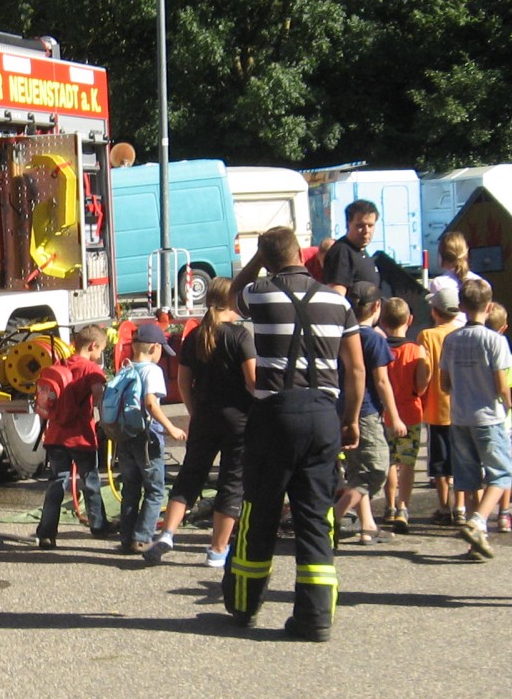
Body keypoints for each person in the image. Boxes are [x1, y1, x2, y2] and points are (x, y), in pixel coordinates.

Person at [225, 226, 364, 641]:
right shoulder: (337, 301)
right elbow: (356, 368)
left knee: (260, 510)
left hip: (275, 415)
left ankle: (245, 603)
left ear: (266, 260)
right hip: (323, 414)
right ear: (301, 255)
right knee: (316, 515)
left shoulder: (261, 293)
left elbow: (232, 295)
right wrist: (351, 418)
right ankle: (315, 617)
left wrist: (257, 260)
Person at [147, 278, 256, 565]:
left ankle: (167, 534)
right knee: (231, 482)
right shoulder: (240, 335)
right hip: (238, 419)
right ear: (232, 300)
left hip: (204, 416)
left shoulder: (195, 336)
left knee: (190, 476)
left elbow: (183, 382)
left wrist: (194, 410)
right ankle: (217, 551)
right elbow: (253, 381)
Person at [442, 276, 512, 560]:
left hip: (460, 417)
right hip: (489, 416)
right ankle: (478, 521)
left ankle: (476, 542)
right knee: (501, 474)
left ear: (461, 306)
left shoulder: (451, 340)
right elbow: (502, 384)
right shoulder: (496, 340)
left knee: (469, 480)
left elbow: (444, 384)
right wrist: (508, 405)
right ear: (490, 306)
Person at [336, 281, 403, 544]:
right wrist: (394, 416)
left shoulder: (340, 335)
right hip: (366, 412)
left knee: (356, 470)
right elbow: (382, 381)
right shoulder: (374, 339)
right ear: (377, 307)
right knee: (375, 469)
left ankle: (367, 526)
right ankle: (333, 517)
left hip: (341, 408)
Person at [35, 323, 111, 549]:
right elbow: (99, 395)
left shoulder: (59, 364)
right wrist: (105, 419)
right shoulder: (91, 369)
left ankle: (47, 533)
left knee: (57, 483)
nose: (100, 354)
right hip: (81, 436)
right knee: (90, 481)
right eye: (101, 350)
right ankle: (98, 525)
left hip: (55, 435)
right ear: (93, 346)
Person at [115, 321, 188, 552]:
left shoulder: (125, 368)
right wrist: (171, 428)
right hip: (147, 438)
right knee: (155, 489)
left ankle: (126, 538)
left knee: (130, 488)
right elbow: (150, 403)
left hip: (124, 436)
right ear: (155, 347)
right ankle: (142, 537)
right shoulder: (153, 371)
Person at [378, 296, 428, 534]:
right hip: (410, 414)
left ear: (383, 322)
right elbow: (421, 386)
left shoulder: (380, 349)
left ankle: (388, 505)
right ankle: (403, 507)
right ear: (410, 320)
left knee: (389, 461)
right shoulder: (415, 351)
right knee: (407, 462)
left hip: (385, 414)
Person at [418, 275, 465, 524]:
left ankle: (444, 506)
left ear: (434, 312)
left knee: (439, 462)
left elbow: (425, 370)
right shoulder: (462, 333)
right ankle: (461, 506)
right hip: (461, 408)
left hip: (436, 406)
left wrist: (419, 392)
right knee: (461, 459)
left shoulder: (427, 336)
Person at [485, 302, 512, 531]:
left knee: (483, 468)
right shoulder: (502, 346)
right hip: (500, 416)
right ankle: (504, 514)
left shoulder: (476, 342)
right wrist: (509, 404)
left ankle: (478, 513)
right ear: (504, 327)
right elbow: (507, 384)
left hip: (477, 413)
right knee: (504, 467)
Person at [322, 199, 380, 294]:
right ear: (348, 224)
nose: (366, 231)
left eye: (370, 225)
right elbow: (337, 294)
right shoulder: (342, 252)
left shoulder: (360, 251)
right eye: (360, 226)